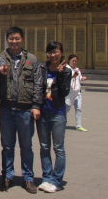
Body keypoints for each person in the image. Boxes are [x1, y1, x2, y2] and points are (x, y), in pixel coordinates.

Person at [0, 26, 42, 194]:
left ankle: (28, 178)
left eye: (17, 38)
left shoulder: (32, 60)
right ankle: (7, 176)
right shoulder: (1, 58)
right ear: (6, 40)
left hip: (25, 110)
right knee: (7, 146)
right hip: (6, 109)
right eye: (11, 38)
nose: (14, 41)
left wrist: (36, 106)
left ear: (22, 39)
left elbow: (38, 83)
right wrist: (1, 68)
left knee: (26, 146)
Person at [37, 41, 71, 193]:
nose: (53, 55)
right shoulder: (42, 68)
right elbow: (37, 88)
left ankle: (56, 180)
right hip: (43, 113)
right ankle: (46, 177)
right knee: (44, 147)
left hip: (58, 113)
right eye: (50, 52)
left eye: (56, 52)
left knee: (58, 148)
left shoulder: (67, 70)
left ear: (61, 53)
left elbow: (64, 92)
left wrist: (61, 74)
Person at [66, 54, 87, 132]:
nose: (74, 63)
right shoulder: (66, 69)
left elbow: (79, 77)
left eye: (76, 61)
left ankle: (78, 125)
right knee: (66, 109)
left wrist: (82, 78)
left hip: (77, 92)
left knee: (78, 108)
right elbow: (65, 78)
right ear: (69, 61)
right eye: (73, 61)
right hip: (69, 93)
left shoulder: (77, 70)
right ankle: (61, 121)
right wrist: (72, 76)